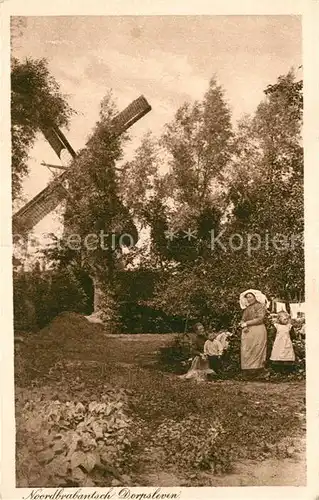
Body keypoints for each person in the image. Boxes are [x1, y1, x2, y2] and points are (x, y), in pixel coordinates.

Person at [239, 289, 269, 378]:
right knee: (247, 350)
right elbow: (243, 319)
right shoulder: (247, 309)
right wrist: (243, 325)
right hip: (247, 332)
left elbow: (260, 319)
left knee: (257, 349)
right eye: (247, 297)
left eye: (250, 297)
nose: (248, 299)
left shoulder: (260, 306)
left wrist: (247, 323)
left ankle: (258, 371)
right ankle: (248, 371)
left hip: (258, 330)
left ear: (255, 297)